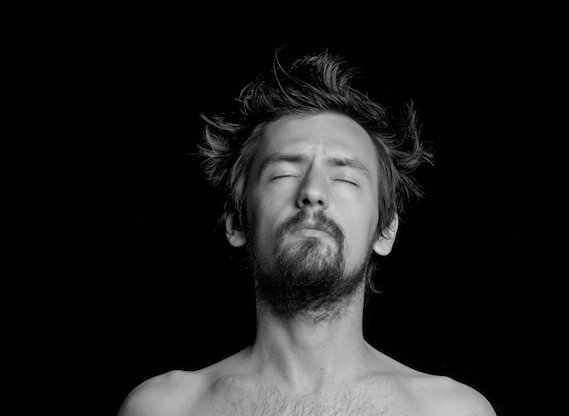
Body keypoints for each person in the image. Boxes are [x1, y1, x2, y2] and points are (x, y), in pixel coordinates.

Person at [118, 49, 497, 416]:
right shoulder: (163, 409)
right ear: (236, 221)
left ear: (384, 230)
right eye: (283, 173)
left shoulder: (451, 411)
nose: (313, 192)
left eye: (345, 177)